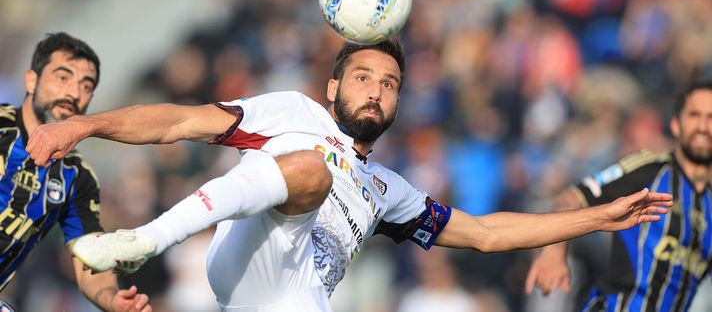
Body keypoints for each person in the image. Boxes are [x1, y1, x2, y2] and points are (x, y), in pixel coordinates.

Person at [27, 39, 672, 312]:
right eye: (363, 77)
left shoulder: (387, 189)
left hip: (295, 300)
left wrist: (597, 216)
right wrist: (82, 126)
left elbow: (485, 234)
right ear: (334, 84)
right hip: (250, 263)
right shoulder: (291, 111)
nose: (376, 91)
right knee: (310, 169)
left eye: (389, 85)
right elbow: (175, 122)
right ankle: (145, 240)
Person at [525, 79, 712, 312]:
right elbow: (570, 199)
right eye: (695, 115)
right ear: (676, 125)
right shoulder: (649, 170)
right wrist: (554, 251)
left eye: (711, 117)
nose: (703, 126)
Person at [0, 33, 152, 312]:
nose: (73, 92)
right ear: (31, 80)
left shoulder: (78, 177)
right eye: (63, 77)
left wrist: (111, 299)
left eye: (86, 85)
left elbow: (89, 256)